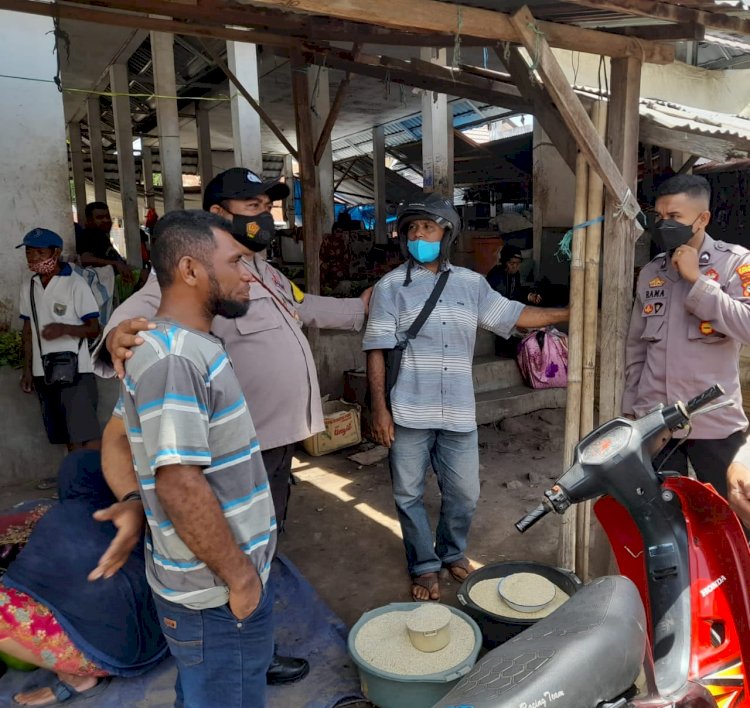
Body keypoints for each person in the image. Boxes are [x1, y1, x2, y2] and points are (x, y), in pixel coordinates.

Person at [92, 168, 370, 684]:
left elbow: (305, 307)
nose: (265, 216)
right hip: (230, 454)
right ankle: (248, 645)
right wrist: (116, 337)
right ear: (217, 216)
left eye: (268, 205)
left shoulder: (254, 269)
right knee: (233, 555)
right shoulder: (194, 269)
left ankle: (251, 634)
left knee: (266, 540)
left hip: (269, 442)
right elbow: (140, 319)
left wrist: (364, 306)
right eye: (252, 206)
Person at [106, 210, 277, 707]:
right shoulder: (175, 360)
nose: (248, 274)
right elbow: (180, 486)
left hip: (206, 589)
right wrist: (241, 577)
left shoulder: (171, 346)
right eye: (236, 262)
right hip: (217, 596)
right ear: (190, 269)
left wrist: (135, 500)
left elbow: (119, 438)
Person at [363, 192, 569, 602]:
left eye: (427, 226)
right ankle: (424, 565)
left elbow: (515, 316)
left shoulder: (471, 284)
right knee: (408, 494)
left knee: (464, 493)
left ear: (447, 233)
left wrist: (568, 312)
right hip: (407, 410)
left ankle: (452, 552)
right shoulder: (390, 288)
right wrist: (379, 410)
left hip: (458, 412)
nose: (418, 234)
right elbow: (376, 349)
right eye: (411, 228)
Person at [0, 450, 167, 707]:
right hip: (158, 643)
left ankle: (74, 679)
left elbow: (24, 582)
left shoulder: (61, 521)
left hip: (107, 655)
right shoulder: (147, 525)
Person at [623, 174, 750, 500]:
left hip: (714, 422)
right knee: (664, 520)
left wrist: (698, 281)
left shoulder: (735, 263)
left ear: (702, 218)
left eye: (675, 217)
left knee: (732, 516)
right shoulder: (652, 273)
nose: (664, 225)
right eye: (660, 217)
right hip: (657, 423)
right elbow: (637, 347)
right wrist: (631, 411)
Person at [18, 228, 102, 453]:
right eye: (28, 252)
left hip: (76, 370)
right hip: (42, 371)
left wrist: (64, 329)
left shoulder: (76, 284)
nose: (32, 257)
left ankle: (92, 480)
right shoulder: (29, 287)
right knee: (64, 432)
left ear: (56, 252)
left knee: (84, 433)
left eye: (39, 252)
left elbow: (95, 329)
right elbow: (28, 331)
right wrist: (27, 370)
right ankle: (75, 479)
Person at [486, 244, 542, 358]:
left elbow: (516, 293)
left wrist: (529, 296)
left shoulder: (514, 275)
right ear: (504, 262)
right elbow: (500, 302)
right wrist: (515, 324)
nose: (515, 267)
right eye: (511, 263)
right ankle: (504, 349)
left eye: (517, 264)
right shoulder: (496, 275)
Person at [76, 202, 135, 280]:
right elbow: (85, 259)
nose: (106, 220)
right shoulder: (88, 235)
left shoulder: (101, 236)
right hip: (108, 284)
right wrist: (116, 264)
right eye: (100, 217)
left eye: (107, 217)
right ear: (90, 220)